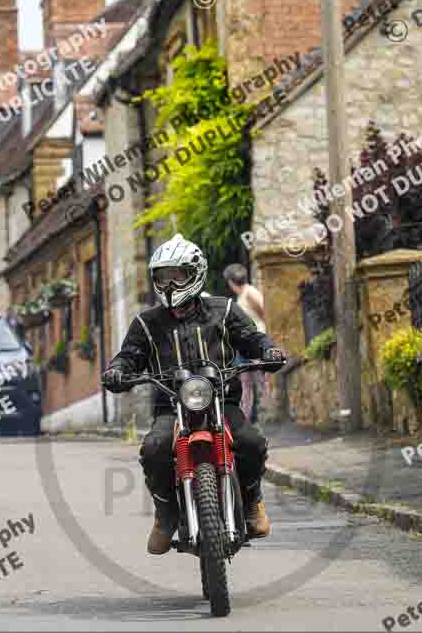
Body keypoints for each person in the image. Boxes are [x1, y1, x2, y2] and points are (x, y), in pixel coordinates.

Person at [102, 234, 286, 555]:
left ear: (196, 272)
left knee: (252, 443)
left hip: (221, 401)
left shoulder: (225, 310)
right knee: (155, 449)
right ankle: (165, 515)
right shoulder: (147, 323)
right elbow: (129, 355)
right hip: (171, 408)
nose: (170, 284)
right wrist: (118, 370)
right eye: (163, 277)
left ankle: (253, 501)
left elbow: (252, 338)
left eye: (177, 275)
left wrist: (268, 350)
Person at [223, 263, 267, 424]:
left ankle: (265, 415)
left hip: (254, 344)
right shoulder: (242, 295)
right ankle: (245, 419)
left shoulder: (250, 293)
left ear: (231, 282)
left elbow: (264, 312)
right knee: (246, 383)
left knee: (258, 381)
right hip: (244, 346)